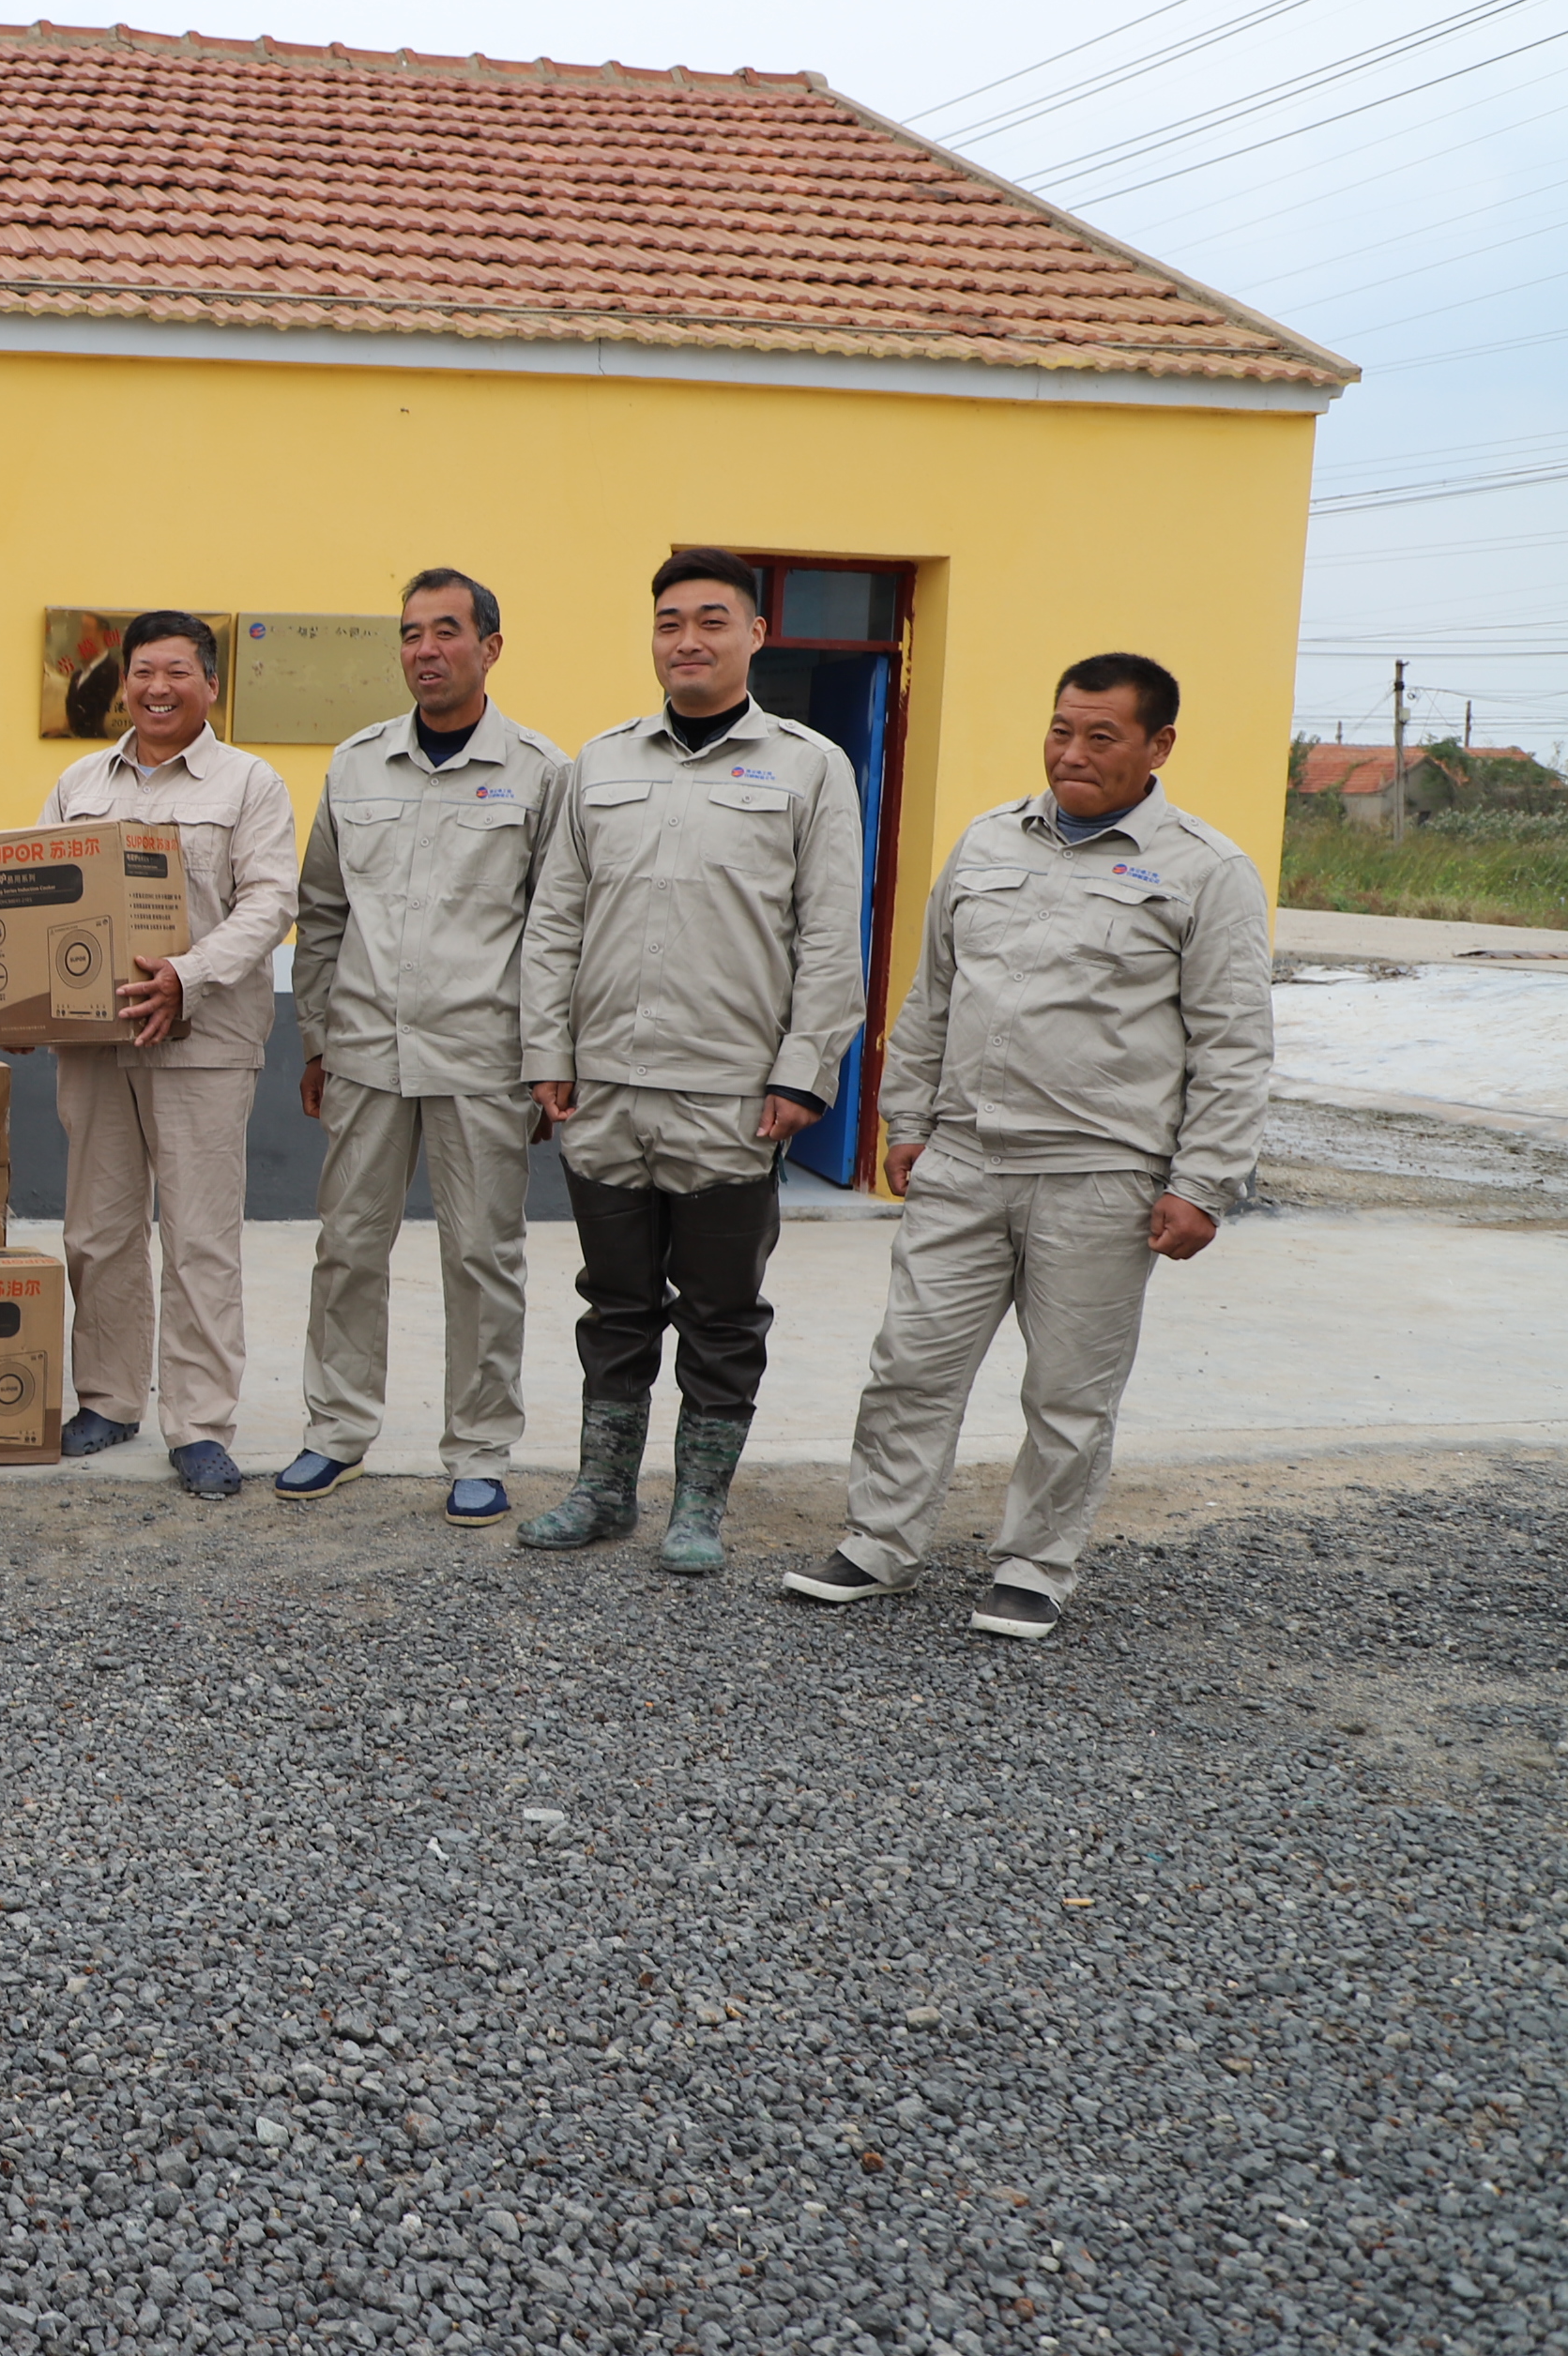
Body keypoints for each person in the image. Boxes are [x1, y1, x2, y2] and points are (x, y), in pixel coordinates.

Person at [784, 655, 1270, 1642]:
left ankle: (1034, 1563)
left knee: (1067, 1390)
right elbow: (932, 997)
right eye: (1060, 729)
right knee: (910, 1365)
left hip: (1100, 1176)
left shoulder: (1205, 871)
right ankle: (879, 1542)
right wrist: (907, 1122)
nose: (1071, 752)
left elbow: (1232, 1041)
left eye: (1100, 736)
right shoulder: (984, 842)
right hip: (964, 1162)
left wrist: (1203, 1183)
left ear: (1158, 746)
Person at [518, 545, 864, 1574]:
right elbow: (555, 921)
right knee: (613, 1304)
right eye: (669, 621)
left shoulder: (808, 767)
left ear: (755, 634)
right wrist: (546, 1051)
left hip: (730, 1096)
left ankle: (699, 1506)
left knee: (721, 1313)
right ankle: (601, 1491)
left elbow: (827, 934)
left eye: (711, 620)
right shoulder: (598, 764)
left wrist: (803, 1071)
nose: (688, 640)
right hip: (606, 1089)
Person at [274, 568, 569, 1525]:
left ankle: (479, 1448)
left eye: (446, 630)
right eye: (410, 633)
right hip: (364, 1051)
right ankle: (335, 1431)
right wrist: (316, 1037)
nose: (425, 650)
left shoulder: (541, 773)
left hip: (482, 1058)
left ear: (490, 646)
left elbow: (557, 928)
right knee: (347, 1249)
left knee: (482, 1258)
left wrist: (547, 1059)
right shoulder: (356, 764)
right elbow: (320, 913)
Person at [30, 611, 298, 1499]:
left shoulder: (249, 783)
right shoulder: (78, 781)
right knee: (98, 1231)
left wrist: (188, 975)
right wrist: (24, 995)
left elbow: (270, 902)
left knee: (199, 1240)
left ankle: (200, 1424)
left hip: (204, 1040)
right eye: (143, 670)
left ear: (210, 685)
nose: (157, 688)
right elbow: (37, 893)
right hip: (97, 1039)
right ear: (124, 682)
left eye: (178, 671)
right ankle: (108, 1400)